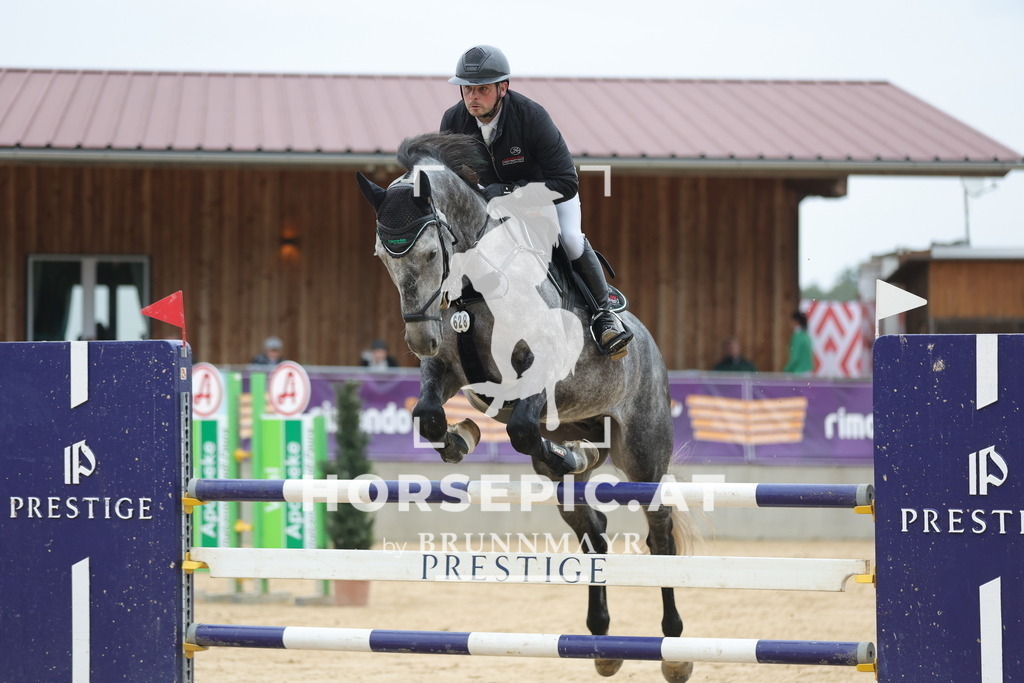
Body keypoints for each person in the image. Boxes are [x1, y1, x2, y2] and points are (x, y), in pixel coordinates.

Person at [439, 45, 632, 359]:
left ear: (503, 87)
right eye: (467, 89)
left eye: (482, 89)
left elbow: (566, 183)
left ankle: (603, 315)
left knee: (569, 240)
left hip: (547, 195)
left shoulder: (531, 117)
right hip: (492, 203)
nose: (473, 97)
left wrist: (507, 192)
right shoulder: (454, 120)